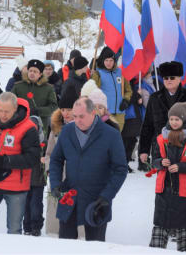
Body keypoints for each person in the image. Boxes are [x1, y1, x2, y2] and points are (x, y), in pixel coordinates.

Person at [49, 97, 128, 241]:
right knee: (65, 245)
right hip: (69, 197)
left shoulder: (111, 135)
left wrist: (106, 196)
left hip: (97, 200)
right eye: (75, 116)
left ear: (93, 113)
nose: (77, 120)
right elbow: (56, 159)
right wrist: (55, 184)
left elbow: (121, 169)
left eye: (81, 116)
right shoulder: (67, 131)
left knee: (95, 246)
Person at [0, 92, 41, 234]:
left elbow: (32, 158)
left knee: (14, 229)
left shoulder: (28, 128)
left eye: (7, 112)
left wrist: (5, 161)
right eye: (0, 110)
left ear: (15, 109)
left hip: (16, 187)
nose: (3, 115)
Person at [149, 102, 186, 252]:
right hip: (164, 189)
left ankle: (184, 250)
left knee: (184, 228)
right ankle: (155, 250)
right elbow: (154, 161)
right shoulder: (160, 138)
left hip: (185, 191)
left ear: (183, 119)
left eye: (177, 119)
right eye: (171, 119)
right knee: (160, 225)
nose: (174, 122)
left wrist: (181, 167)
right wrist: (160, 162)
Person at [139, 61, 186, 168]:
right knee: (164, 181)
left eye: (172, 77)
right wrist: (144, 150)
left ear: (179, 78)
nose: (169, 80)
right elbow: (147, 125)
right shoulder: (155, 98)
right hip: (161, 149)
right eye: (166, 78)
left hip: (185, 148)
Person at [44, 85, 80, 236]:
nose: (65, 113)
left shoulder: (84, 128)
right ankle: (54, 236)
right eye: (63, 109)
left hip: (78, 177)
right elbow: (49, 153)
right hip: (59, 177)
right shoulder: (56, 128)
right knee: (56, 214)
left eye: (69, 109)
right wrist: (50, 169)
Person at [12, 59, 58, 134]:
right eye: (30, 71)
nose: (32, 73)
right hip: (20, 123)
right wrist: (21, 111)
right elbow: (10, 103)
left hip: (41, 126)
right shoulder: (18, 86)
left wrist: (39, 111)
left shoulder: (48, 88)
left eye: (35, 71)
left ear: (40, 74)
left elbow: (54, 106)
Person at [91, 47, 132, 131]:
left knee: (116, 138)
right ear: (102, 60)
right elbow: (93, 92)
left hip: (120, 113)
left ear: (114, 61)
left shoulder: (120, 72)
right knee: (106, 140)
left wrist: (126, 100)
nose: (109, 63)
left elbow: (128, 90)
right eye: (106, 60)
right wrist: (93, 77)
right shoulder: (98, 74)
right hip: (106, 114)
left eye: (111, 60)